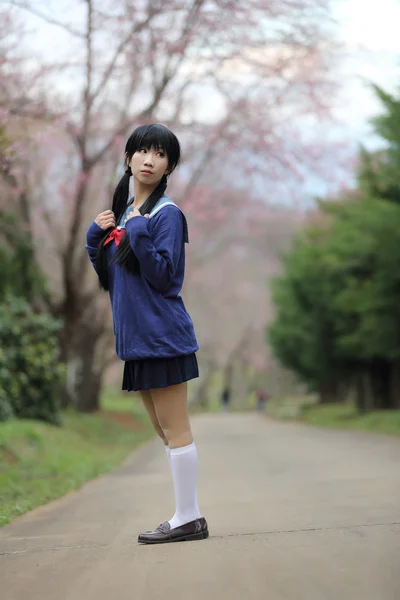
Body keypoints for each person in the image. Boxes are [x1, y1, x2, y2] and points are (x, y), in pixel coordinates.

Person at [85, 124, 208, 545]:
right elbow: (113, 281)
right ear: (128, 158)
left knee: (175, 430)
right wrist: (94, 241)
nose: (149, 160)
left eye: (160, 154)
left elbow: (166, 279)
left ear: (170, 165)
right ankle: (187, 515)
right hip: (138, 341)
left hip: (164, 337)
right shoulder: (124, 215)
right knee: (163, 432)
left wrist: (136, 232)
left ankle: (188, 517)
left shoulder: (166, 214)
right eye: (143, 151)